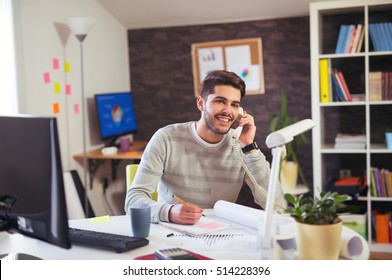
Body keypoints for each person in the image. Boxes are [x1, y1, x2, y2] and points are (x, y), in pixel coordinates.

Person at [124, 70, 286, 225]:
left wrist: (249, 148)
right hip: (172, 230)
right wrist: (170, 212)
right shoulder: (166, 138)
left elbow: (278, 207)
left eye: (235, 105)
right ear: (201, 103)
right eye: (220, 101)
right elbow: (133, 201)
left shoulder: (240, 146)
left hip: (219, 233)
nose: (228, 111)